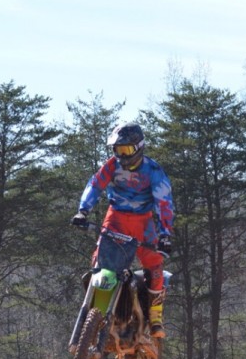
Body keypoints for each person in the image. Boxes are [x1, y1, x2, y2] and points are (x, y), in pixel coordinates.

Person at [71, 122, 175, 338]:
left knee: (155, 263)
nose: (122, 155)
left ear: (139, 147)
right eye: (117, 150)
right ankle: (98, 310)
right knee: (98, 260)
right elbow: (95, 185)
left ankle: (155, 314)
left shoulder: (153, 171)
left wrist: (165, 234)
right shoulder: (112, 166)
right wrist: (83, 211)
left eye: (126, 149)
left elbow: (164, 202)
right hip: (115, 218)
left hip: (143, 222)